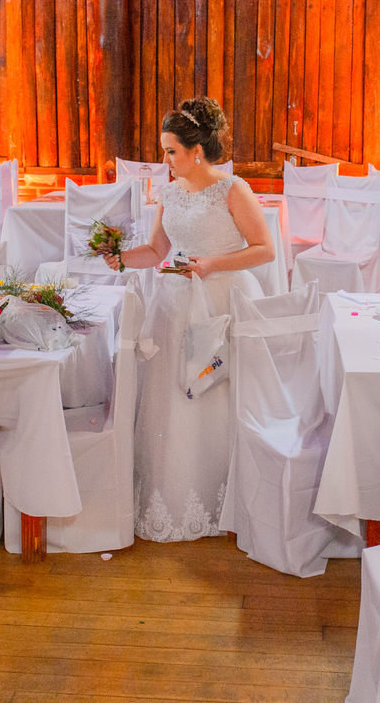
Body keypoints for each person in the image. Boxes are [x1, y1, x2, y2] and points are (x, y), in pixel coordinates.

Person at [101, 97, 274, 541]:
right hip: (175, 304)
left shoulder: (232, 189)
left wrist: (212, 264)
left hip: (219, 302)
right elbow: (158, 252)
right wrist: (118, 258)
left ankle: (227, 499)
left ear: (197, 150)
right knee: (176, 398)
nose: (165, 160)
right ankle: (177, 493)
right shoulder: (170, 193)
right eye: (164, 150)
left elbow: (264, 249)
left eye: (171, 151)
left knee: (215, 393)